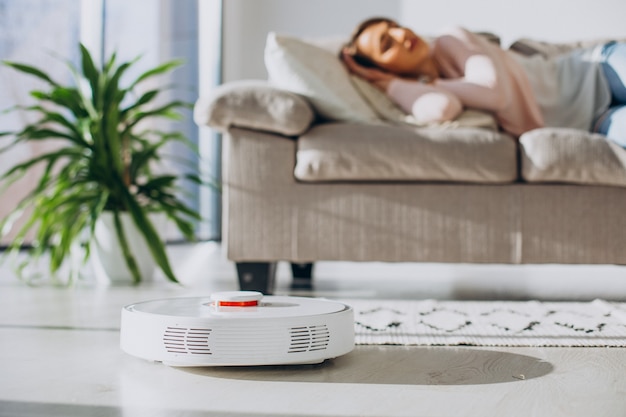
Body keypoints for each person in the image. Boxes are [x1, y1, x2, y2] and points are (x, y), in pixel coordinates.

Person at [341, 17, 626, 146]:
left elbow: (494, 93)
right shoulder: (421, 91)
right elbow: (441, 110)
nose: (402, 36)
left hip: (598, 70)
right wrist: (389, 85)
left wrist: (427, 83)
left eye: (395, 27)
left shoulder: (449, 39)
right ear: (382, 68)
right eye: (387, 44)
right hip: (594, 124)